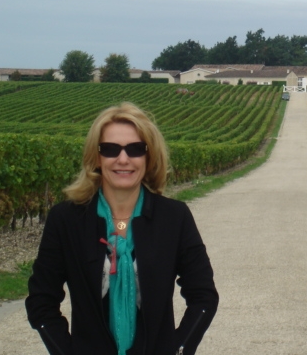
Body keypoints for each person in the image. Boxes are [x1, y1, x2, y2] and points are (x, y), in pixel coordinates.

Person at [26, 102, 219, 355]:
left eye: (136, 149)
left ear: (149, 156)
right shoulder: (66, 220)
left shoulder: (174, 217)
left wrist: (179, 349)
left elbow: (203, 296)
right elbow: (41, 301)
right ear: (96, 156)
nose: (123, 159)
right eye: (110, 149)